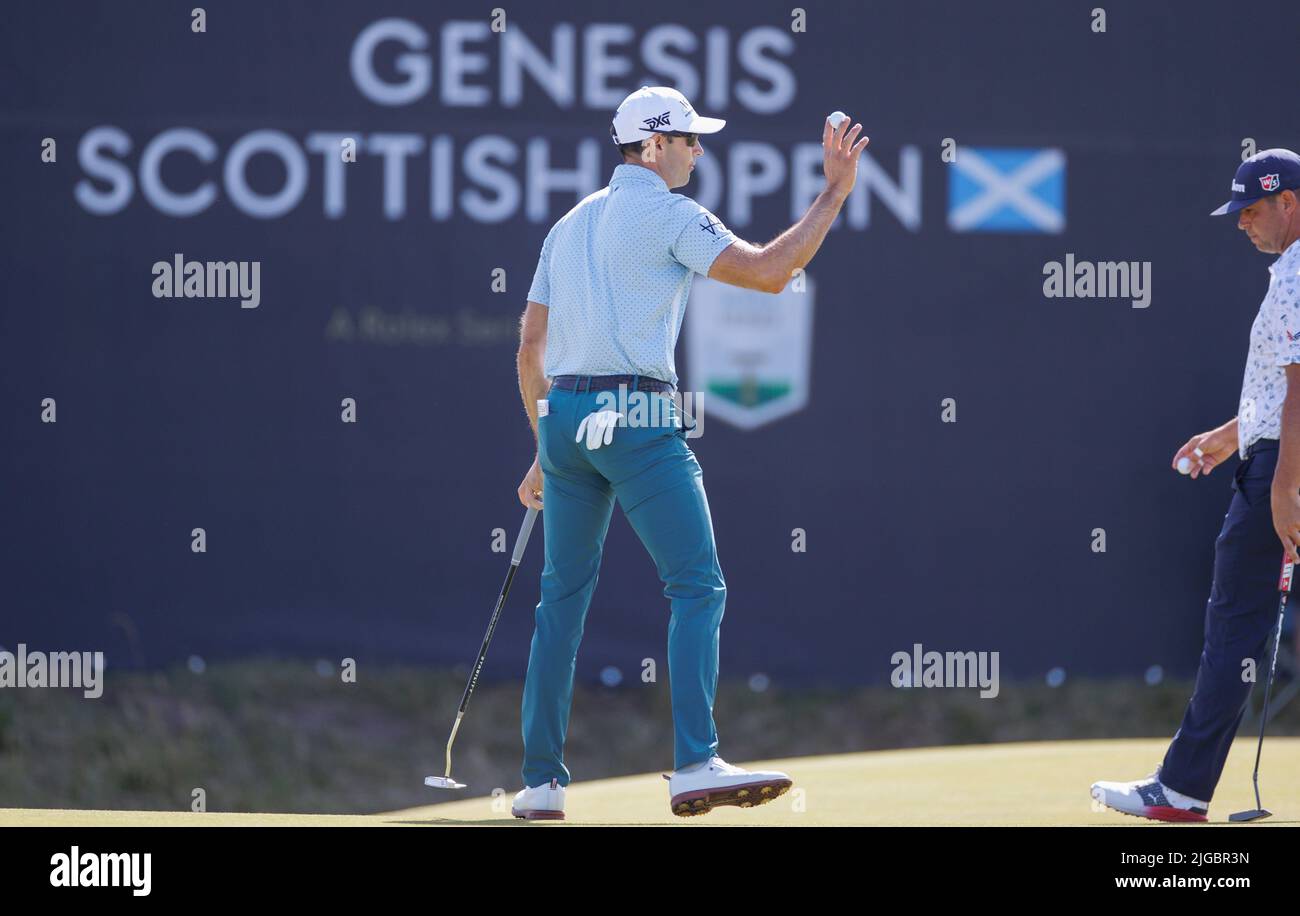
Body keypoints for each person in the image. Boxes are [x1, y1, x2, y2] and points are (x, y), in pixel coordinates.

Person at [510, 86, 869, 819]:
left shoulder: (568, 224)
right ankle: (695, 762)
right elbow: (771, 272)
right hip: (637, 414)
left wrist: (545, 444)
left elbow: (528, 348)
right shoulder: (671, 214)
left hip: (566, 419)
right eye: (687, 139)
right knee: (696, 588)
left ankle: (540, 786)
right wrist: (833, 195)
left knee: (560, 606)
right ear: (651, 147)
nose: (698, 150)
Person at [1092, 149, 1300, 821]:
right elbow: (1279, 389)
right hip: (1270, 455)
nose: (1242, 223)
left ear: (1289, 201)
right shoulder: (1288, 274)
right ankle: (1182, 789)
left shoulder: (1298, 275)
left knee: (1233, 627)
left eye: (1251, 209)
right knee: (1236, 627)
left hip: (1281, 470)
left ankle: (1180, 792)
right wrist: (1230, 434)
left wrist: (1283, 488)